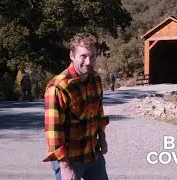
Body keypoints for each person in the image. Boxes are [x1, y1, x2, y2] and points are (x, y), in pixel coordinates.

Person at [43, 33, 109, 180]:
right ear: (72, 55)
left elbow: (98, 112)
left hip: (92, 154)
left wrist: (102, 137)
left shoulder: (95, 80)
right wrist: (65, 167)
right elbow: (53, 132)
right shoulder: (58, 87)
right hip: (69, 159)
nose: (88, 62)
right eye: (83, 56)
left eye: (92, 56)